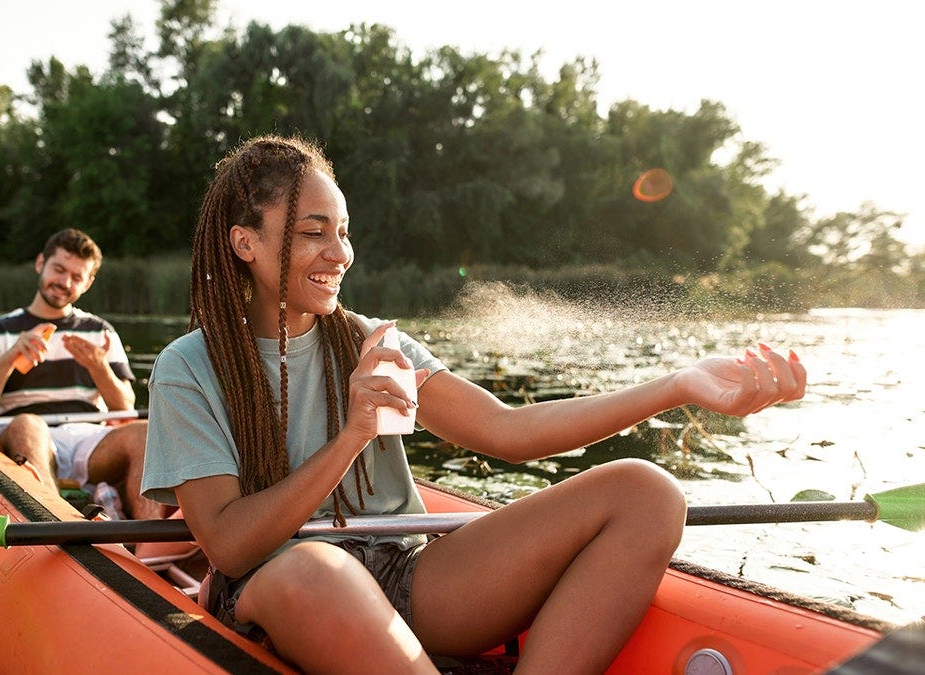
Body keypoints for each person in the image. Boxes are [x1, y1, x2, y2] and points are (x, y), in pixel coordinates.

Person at [140, 135, 807, 674]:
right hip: (278, 588)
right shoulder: (188, 369)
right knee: (317, 568)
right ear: (245, 241)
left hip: (405, 575)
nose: (340, 253)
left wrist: (677, 384)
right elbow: (227, 545)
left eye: (343, 231)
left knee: (648, 492)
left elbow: (509, 429)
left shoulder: (374, 342)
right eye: (315, 232)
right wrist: (350, 437)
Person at [0, 228, 169, 521]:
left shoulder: (101, 331)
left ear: (88, 283)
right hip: (26, 434)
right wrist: (9, 359)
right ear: (40, 264)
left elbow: (125, 409)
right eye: (58, 269)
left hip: (91, 440)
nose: (65, 282)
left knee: (146, 430)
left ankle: (149, 545)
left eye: (76, 277)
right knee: (28, 425)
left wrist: (99, 366)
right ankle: (57, 526)